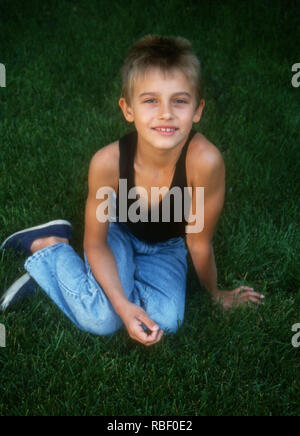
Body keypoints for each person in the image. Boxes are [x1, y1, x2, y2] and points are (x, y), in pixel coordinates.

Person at [0, 35, 264, 346]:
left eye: (179, 100)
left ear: (197, 110)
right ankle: (49, 247)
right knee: (101, 319)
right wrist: (123, 307)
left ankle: (76, 282)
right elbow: (96, 244)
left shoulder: (205, 161)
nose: (165, 113)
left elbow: (199, 242)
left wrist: (216, 293)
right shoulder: (108, 162)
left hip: (168, 247)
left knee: (168, 321)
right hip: (117, 235)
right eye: (150, 100)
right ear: (128, 109)